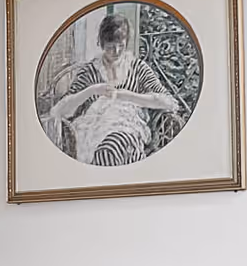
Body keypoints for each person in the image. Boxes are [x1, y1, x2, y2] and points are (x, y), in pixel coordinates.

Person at [41, 9, 183, 165]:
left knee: (114, 146)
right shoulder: (90, 71)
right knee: (104, 150)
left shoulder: (137, 68)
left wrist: (126, 96)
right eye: (110, 47)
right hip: (93, 131)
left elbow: (167, 102)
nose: (116, 51)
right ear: (102, 44)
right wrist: (92, 90)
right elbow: (60, 110)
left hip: (128, 128)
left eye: (121, 46)